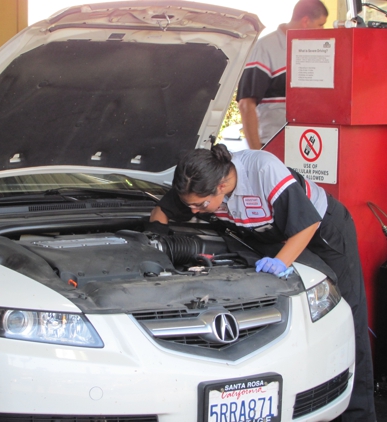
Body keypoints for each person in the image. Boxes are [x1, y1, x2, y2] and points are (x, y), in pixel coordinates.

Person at [149, 145, 376, 422]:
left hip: (321, 231)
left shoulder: (262, 169)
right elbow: (161, 211)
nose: (194, 210)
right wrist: (155, 245)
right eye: (190, 205)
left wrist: (281, 262)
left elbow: (305, 225)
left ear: (222, 185)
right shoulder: (195, 182)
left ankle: (359, 415)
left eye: (200, 205)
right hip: (268, 234)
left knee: (346, 316)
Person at [236, 0, 328, 150]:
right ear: (305, 21)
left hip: (306, 145)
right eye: (320, 24)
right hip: (272, 144)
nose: (323, 30)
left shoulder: (315, 50)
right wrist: (257, 153)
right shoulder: (265, 47)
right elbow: (246, 104)